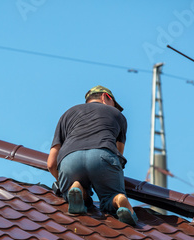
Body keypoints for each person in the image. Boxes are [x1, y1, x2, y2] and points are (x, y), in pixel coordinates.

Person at [47, 85, 139, 226]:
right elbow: (118, 156)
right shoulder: (117, 115)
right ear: (105, 97)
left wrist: (62, 181)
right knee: (110, 197)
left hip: (69, 159)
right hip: (103, 156)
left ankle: (76, 186)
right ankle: (118, 199)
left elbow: (51, 163)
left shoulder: (68, 114)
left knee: (71, 192)